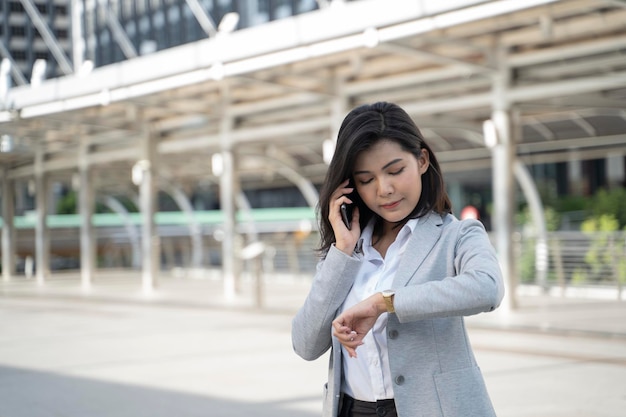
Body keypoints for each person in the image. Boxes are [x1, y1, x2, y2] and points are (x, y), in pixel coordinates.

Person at [292, 102, 504, 417]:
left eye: (395, 171)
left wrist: (384, 302)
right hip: (352, 409)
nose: (385, 189)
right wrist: (341, 251)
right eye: (366, 180)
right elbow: (306, 344)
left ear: (421, 160)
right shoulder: (348, 250)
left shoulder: (456, 235)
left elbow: (487, 287)